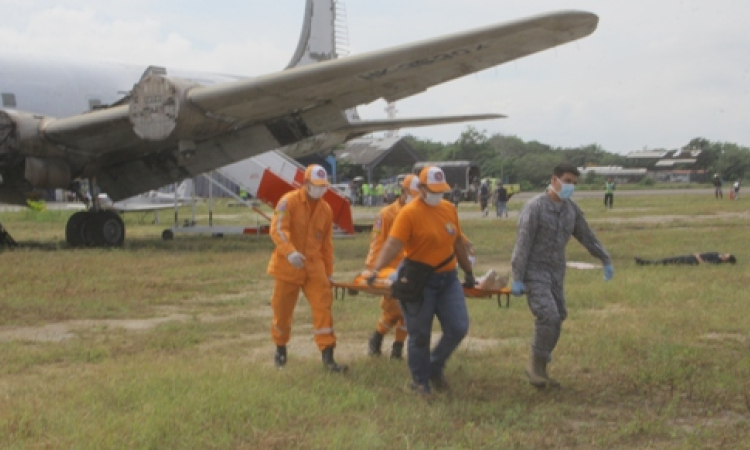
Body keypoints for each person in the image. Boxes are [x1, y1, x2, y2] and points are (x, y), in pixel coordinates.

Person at [366, 166, 475, 396]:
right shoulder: (409, 213)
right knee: (419, 334)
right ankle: (420, 381)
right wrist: (375, 270)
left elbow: (456, 242)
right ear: (422, 189)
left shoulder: (448, 209)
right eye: (433, 190)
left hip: (448, 279)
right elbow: (393, 244)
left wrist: (468, 270)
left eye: (441, 190)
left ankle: (434, 366)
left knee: (458, 327)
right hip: (419, 281)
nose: (438, 194)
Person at [511, 162, 613, 388]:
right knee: (548, 315)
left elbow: (587, 236)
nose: (570, 187)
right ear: (554, 179)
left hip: (556, 270)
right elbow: (523, 244)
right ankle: (535, 366)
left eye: (574, 183)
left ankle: (542, 367)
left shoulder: (571, 210)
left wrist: (604, 258)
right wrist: (518, 277)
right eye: (567, 181)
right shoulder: (535, 207)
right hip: (533, 270)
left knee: (560, 316)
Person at [267, 164, 347, 372]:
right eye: (317, 185)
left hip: (314, 266)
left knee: (323, 307)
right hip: (288, 265)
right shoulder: (288, 202)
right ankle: (280, 349)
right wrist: (290, 251)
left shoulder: (325, 210)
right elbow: (278, 229)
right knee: (282, 311)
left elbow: (327, 245)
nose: (321, 190)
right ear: (306, 184)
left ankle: (328, 358)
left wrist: (328, 273)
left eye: (324, 186)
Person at [364, 174, 421, 359]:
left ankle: (396, 346)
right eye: (413, 193)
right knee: (397, 307)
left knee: (410, 308)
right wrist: (373, 270)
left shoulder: (421, 213)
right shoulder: (387, 214)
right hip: (388, 268)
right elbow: (377, 243)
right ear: (403, 192)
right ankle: (378, 337)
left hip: (411, 269)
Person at [635, 252, 736, 266]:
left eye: (728, 255)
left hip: (693, 261)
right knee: (668, 259)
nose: (726, 254)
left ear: (727, 259)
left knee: (669, 261)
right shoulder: (717, 254)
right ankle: (646, 262)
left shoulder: (717, 261)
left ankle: (645, 263)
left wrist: (697, 257)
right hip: (691, 257)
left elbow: (705, 264)